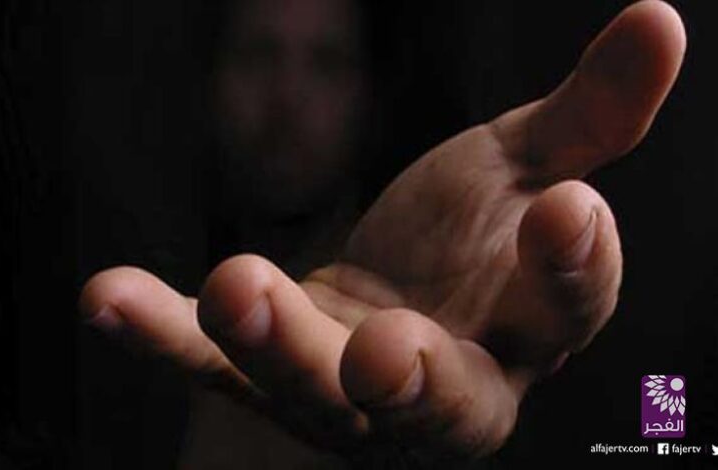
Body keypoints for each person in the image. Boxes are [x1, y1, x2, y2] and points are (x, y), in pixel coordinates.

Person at [79, 0, 686, 466]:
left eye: (327, 63)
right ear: (208, 79)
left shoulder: (419, 299)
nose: (287, 99)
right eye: (259, 55)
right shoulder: (131, 319)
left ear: (369, 95)